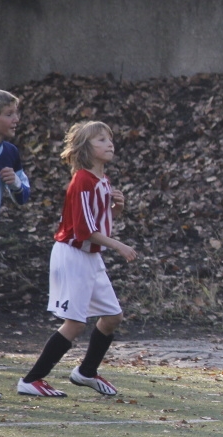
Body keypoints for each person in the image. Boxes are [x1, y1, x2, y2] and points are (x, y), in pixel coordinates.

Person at [17, 121, 138, 398]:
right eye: (101, 140)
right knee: (75, 323)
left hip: (90, 257)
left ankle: (86, 372)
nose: (109, 144)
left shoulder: (103, 181)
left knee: (112, 316)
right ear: (85, 148)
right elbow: (83, 231)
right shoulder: (82, 180)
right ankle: (31, 380)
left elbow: (98, 224)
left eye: (110, 139)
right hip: (72, 256)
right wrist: (119, 246)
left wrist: (117, 209)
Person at [0, 88, 31, 228]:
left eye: (16, 113)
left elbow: (23, 198)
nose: (16, 119)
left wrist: (15, 183)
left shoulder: (10, 152)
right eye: (9, 114)